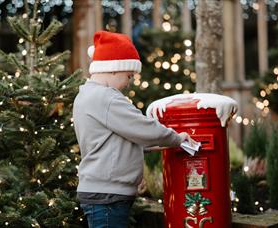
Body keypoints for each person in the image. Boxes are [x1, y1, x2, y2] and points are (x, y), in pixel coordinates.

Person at [72, 31, 196, 228]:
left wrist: (158, 146)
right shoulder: (107, 98)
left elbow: (120, 140)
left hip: (101, 191)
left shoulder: (85, 96)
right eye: (128, 75)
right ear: (114, 68)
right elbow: (143, 127)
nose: (128, 82)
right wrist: (177, 138)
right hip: (108, 196)